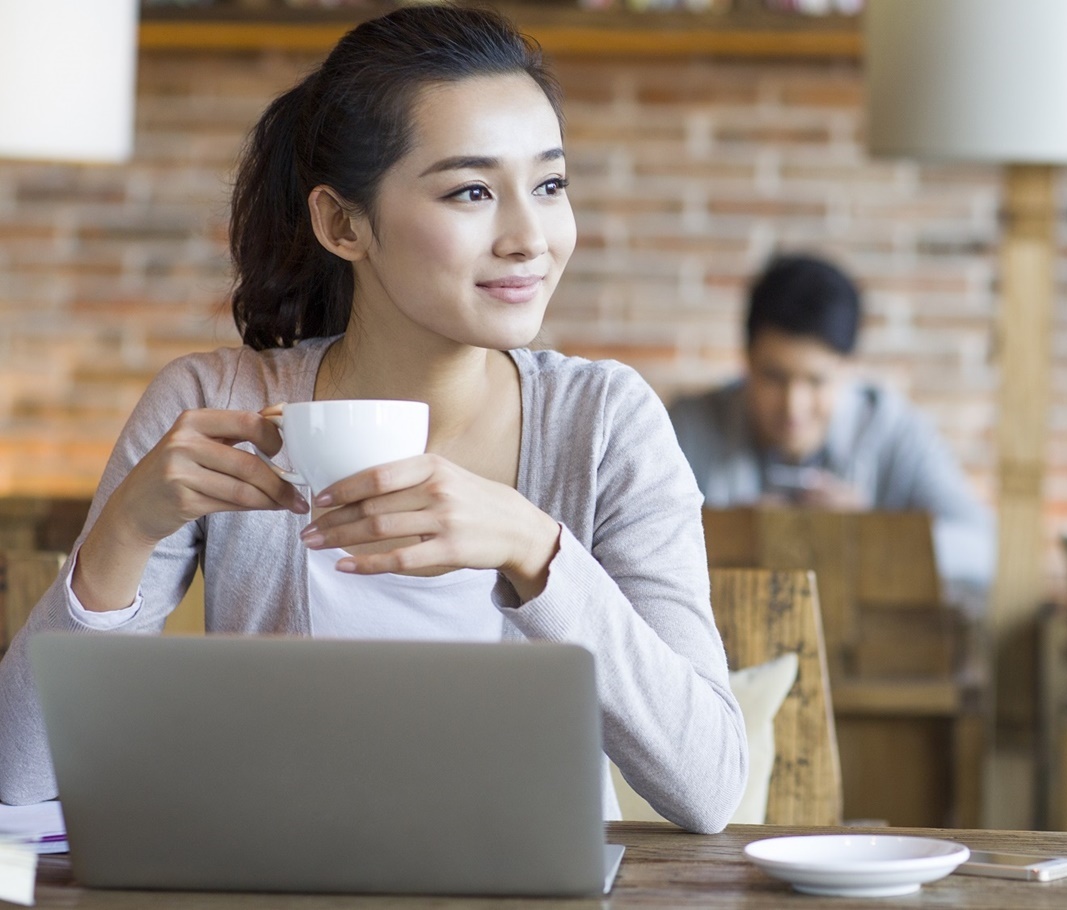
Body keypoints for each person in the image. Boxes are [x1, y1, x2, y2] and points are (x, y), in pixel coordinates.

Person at [0, 7, 746, 833]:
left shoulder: (605, 422)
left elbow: (708, 788)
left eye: (549, 185)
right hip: (273, 883)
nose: (530, 237)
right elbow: (20, 778)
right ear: (342, 224)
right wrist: (123, 534)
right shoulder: (213, 402)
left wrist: (537, 551)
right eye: (471, 191)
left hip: (531, 890)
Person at [668, 254, 995, 609]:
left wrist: (865, 537)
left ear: (850, 369)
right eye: (774, 377)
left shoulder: (896, 432)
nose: (794, 405)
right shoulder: (689, 425)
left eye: (816, 380)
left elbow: (983, 550)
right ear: (745, 359)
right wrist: (738, 533)